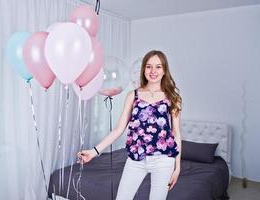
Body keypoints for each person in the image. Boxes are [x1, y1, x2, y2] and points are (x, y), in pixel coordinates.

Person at [77, 50, 182, 200]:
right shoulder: (133, 96)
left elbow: (176, 133)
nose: (153, 71)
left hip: (164, 160)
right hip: (136, 158)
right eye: (148, 66)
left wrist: (177, 168)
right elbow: (119, 129)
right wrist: (94, 152)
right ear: (143, 69)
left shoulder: (173, 97)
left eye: (158, 67)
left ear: (164, 70)